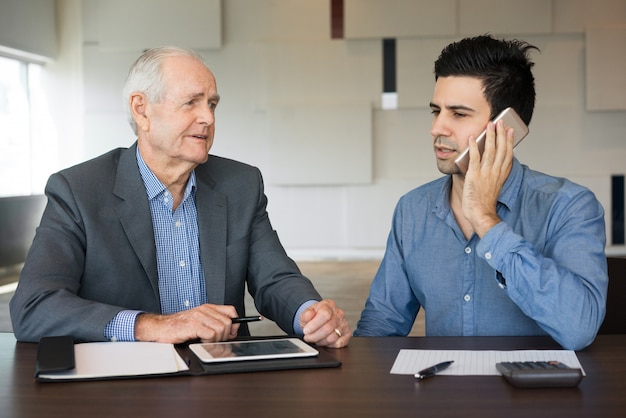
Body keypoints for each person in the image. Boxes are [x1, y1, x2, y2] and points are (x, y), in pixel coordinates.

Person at [10, 46, 351, 347]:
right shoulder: (79, 190)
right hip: (123, 382)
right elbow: (34, 307)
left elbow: (276, 279)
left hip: (223, 376)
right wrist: (153, 326)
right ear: (141, 110)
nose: (208, 117)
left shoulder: (241, 184)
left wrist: (310, 314)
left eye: (212, 104)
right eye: (191, 102)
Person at [354, 35, 607, 351]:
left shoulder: (569, 206)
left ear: (507, 126)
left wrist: (487, 220)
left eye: (458, 114)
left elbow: (579, 328)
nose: (437, 129)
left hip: (538, 396)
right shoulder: (412, 210)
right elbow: (380, 326)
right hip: (443, 394)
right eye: (437, 111)